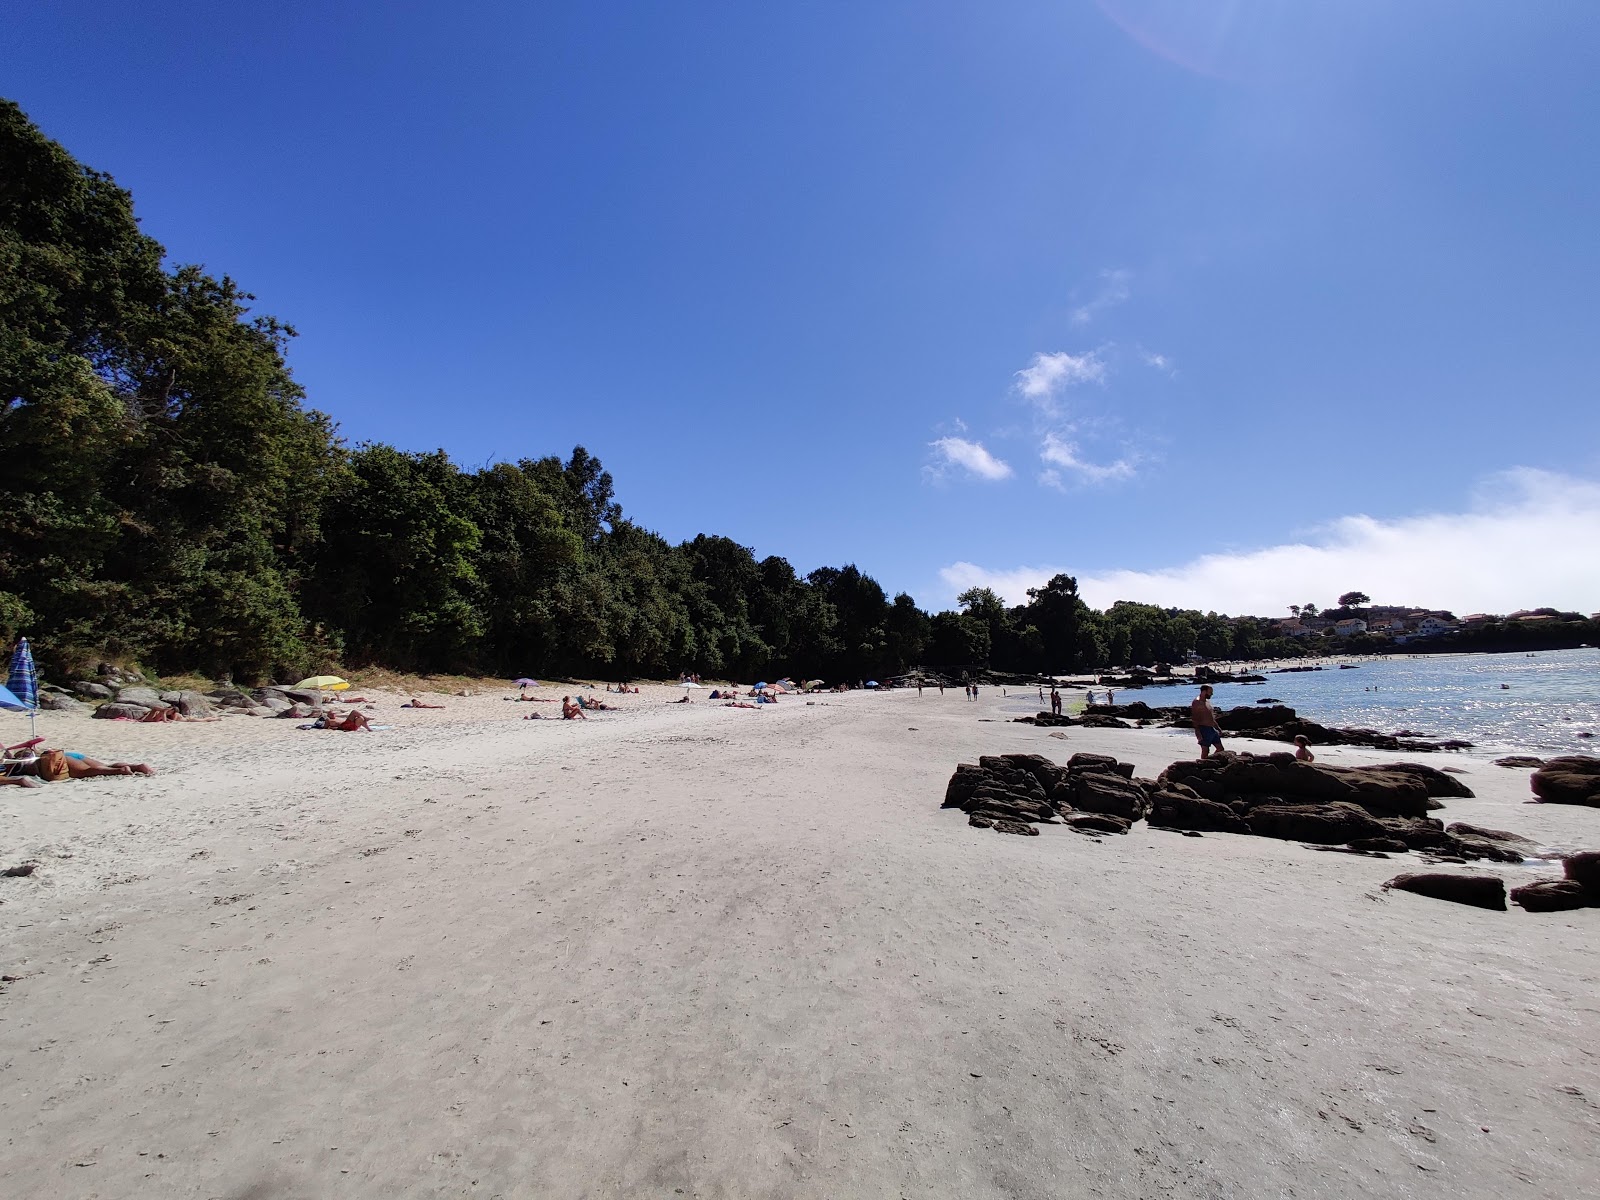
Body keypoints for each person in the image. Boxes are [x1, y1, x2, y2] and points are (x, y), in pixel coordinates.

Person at [1191, 684, 1224, 760]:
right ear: (1204, 691)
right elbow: (1195, 718)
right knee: (1205, 750)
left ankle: (1210, 761)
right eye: (1210, 692)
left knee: (1220, 749)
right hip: (1203, 729)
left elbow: (1211, 717)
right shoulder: (1197, 702)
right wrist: (1198, 733)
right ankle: (1203, 765)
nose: (1212, 694)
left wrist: (1218, 728)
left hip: (1212, 729)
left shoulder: (1207, 702)